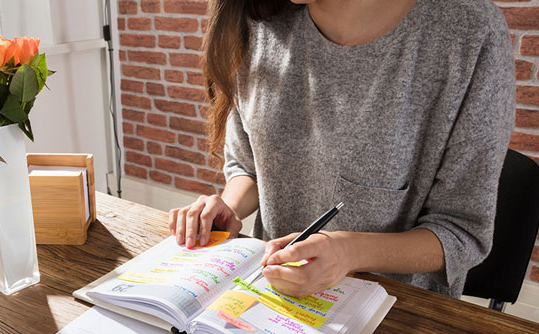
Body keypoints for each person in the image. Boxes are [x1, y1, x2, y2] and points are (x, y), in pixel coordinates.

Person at [168, 0, 515, 298]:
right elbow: (249, 166)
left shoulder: (468, 32)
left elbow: (461, 232)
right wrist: (228, 207)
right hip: (269, 295)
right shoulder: (258, 20)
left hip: (393, 314)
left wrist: (348, 253)